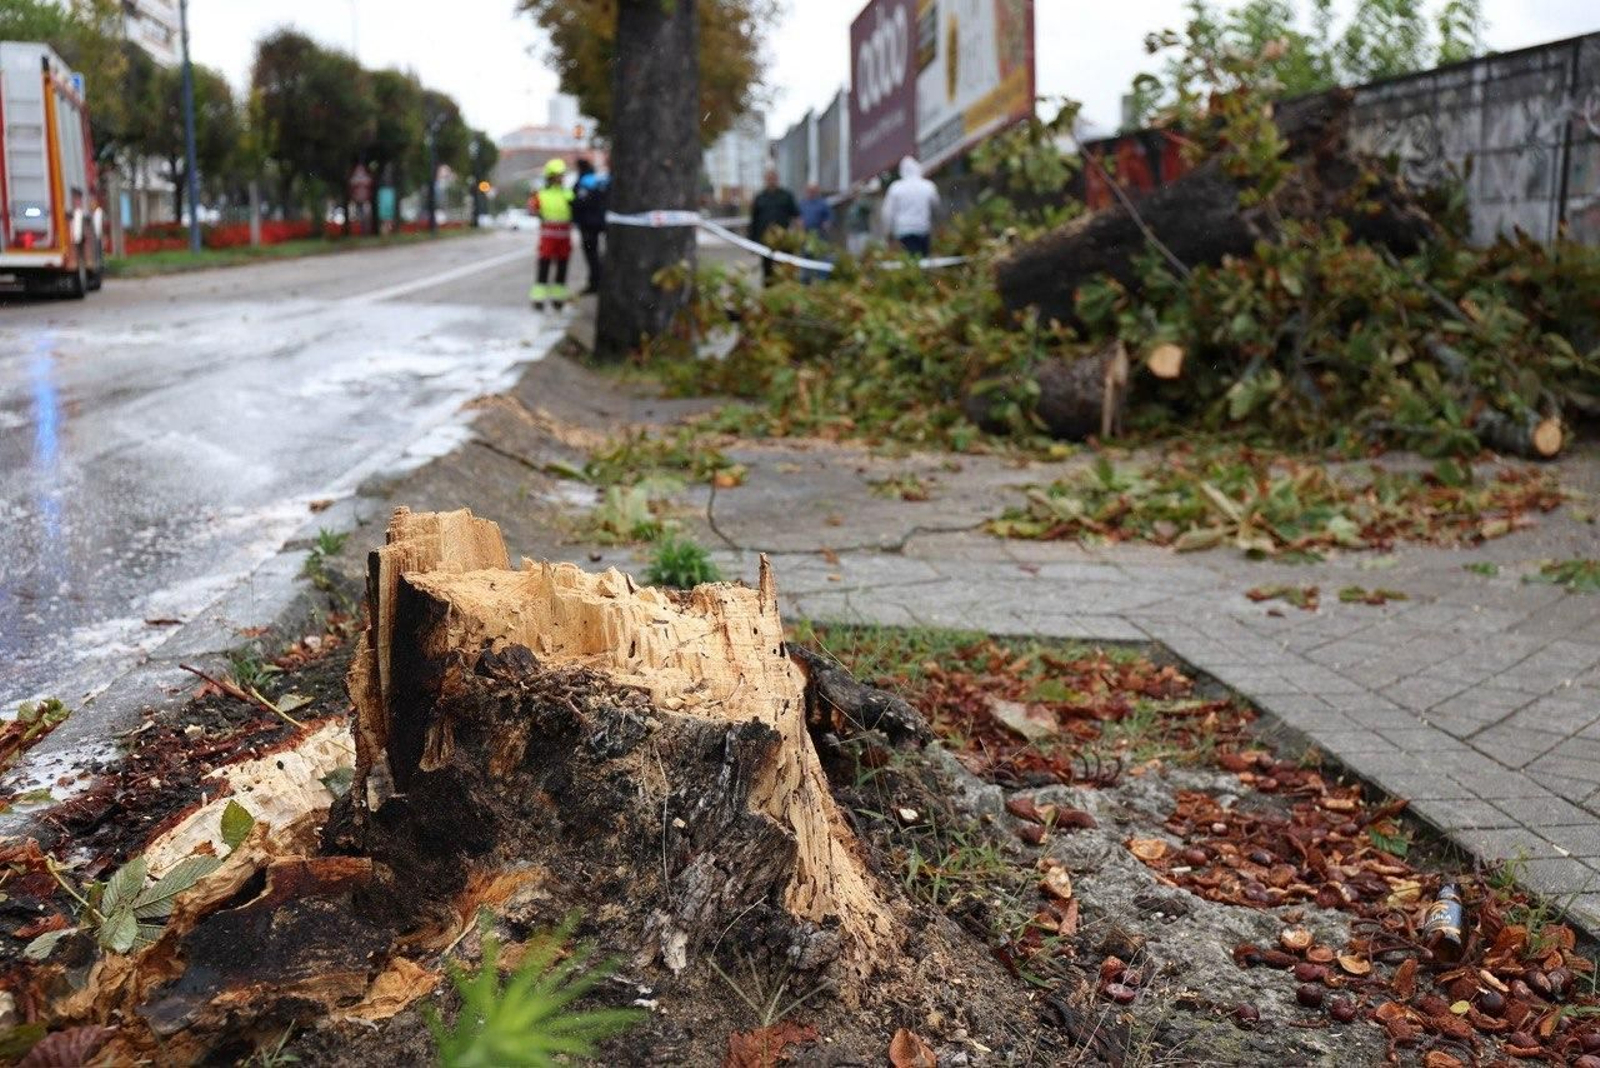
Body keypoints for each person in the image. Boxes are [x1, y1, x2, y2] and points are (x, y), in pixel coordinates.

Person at [529, 158, 574, 311]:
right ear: (551, 176)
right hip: (548, 237)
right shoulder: (541, 195)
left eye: (562, 175)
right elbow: (532, 209)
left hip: (564, 238)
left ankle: (558, 299)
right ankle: (538, 299)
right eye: (558, 175)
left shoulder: (569, 194)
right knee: (544, 268)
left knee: (562, 269)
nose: (561, 178)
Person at [881, 155, 940, 259]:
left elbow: (887, 212)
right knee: (923, 261)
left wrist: (888, 232)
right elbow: (936, 206)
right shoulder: (928, 186)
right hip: (923, 229)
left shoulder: (896, 188)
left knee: (909, 263)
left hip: (903, 232)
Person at [748, 168, 799, 285]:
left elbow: (796, 216)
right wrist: (752, 242)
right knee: (767, 271)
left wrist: (797, 237)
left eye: (773, 178)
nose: (771, 181)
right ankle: (768, 296)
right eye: (769, 178)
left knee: (784, 270)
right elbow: (754, 221)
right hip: (765, 243)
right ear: (765, 180)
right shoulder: (759, 197)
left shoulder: (786, 195)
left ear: (777, 179)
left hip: (784, 242)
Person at [572, 157, 610, 294]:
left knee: (591, 254)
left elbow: (580, 202)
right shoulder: (600, 180)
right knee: (600, 254)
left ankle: (596, 282)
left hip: (588, 224)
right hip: (602, 221)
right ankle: (600, 280)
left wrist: (573, 209)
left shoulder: (584, 182)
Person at [797, 182, 833, 284]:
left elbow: (829, 217)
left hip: (819, 236)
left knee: (821, 258)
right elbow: (797, 217)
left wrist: (827, 223)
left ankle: (821, 280)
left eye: (813, 191)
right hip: (805, 236)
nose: (811, 193)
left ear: (817, 191)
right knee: (806, 258)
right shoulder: (802, 203)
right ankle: (805, 281)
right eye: (809, 191)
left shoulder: (823, 203)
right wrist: (799, 222)